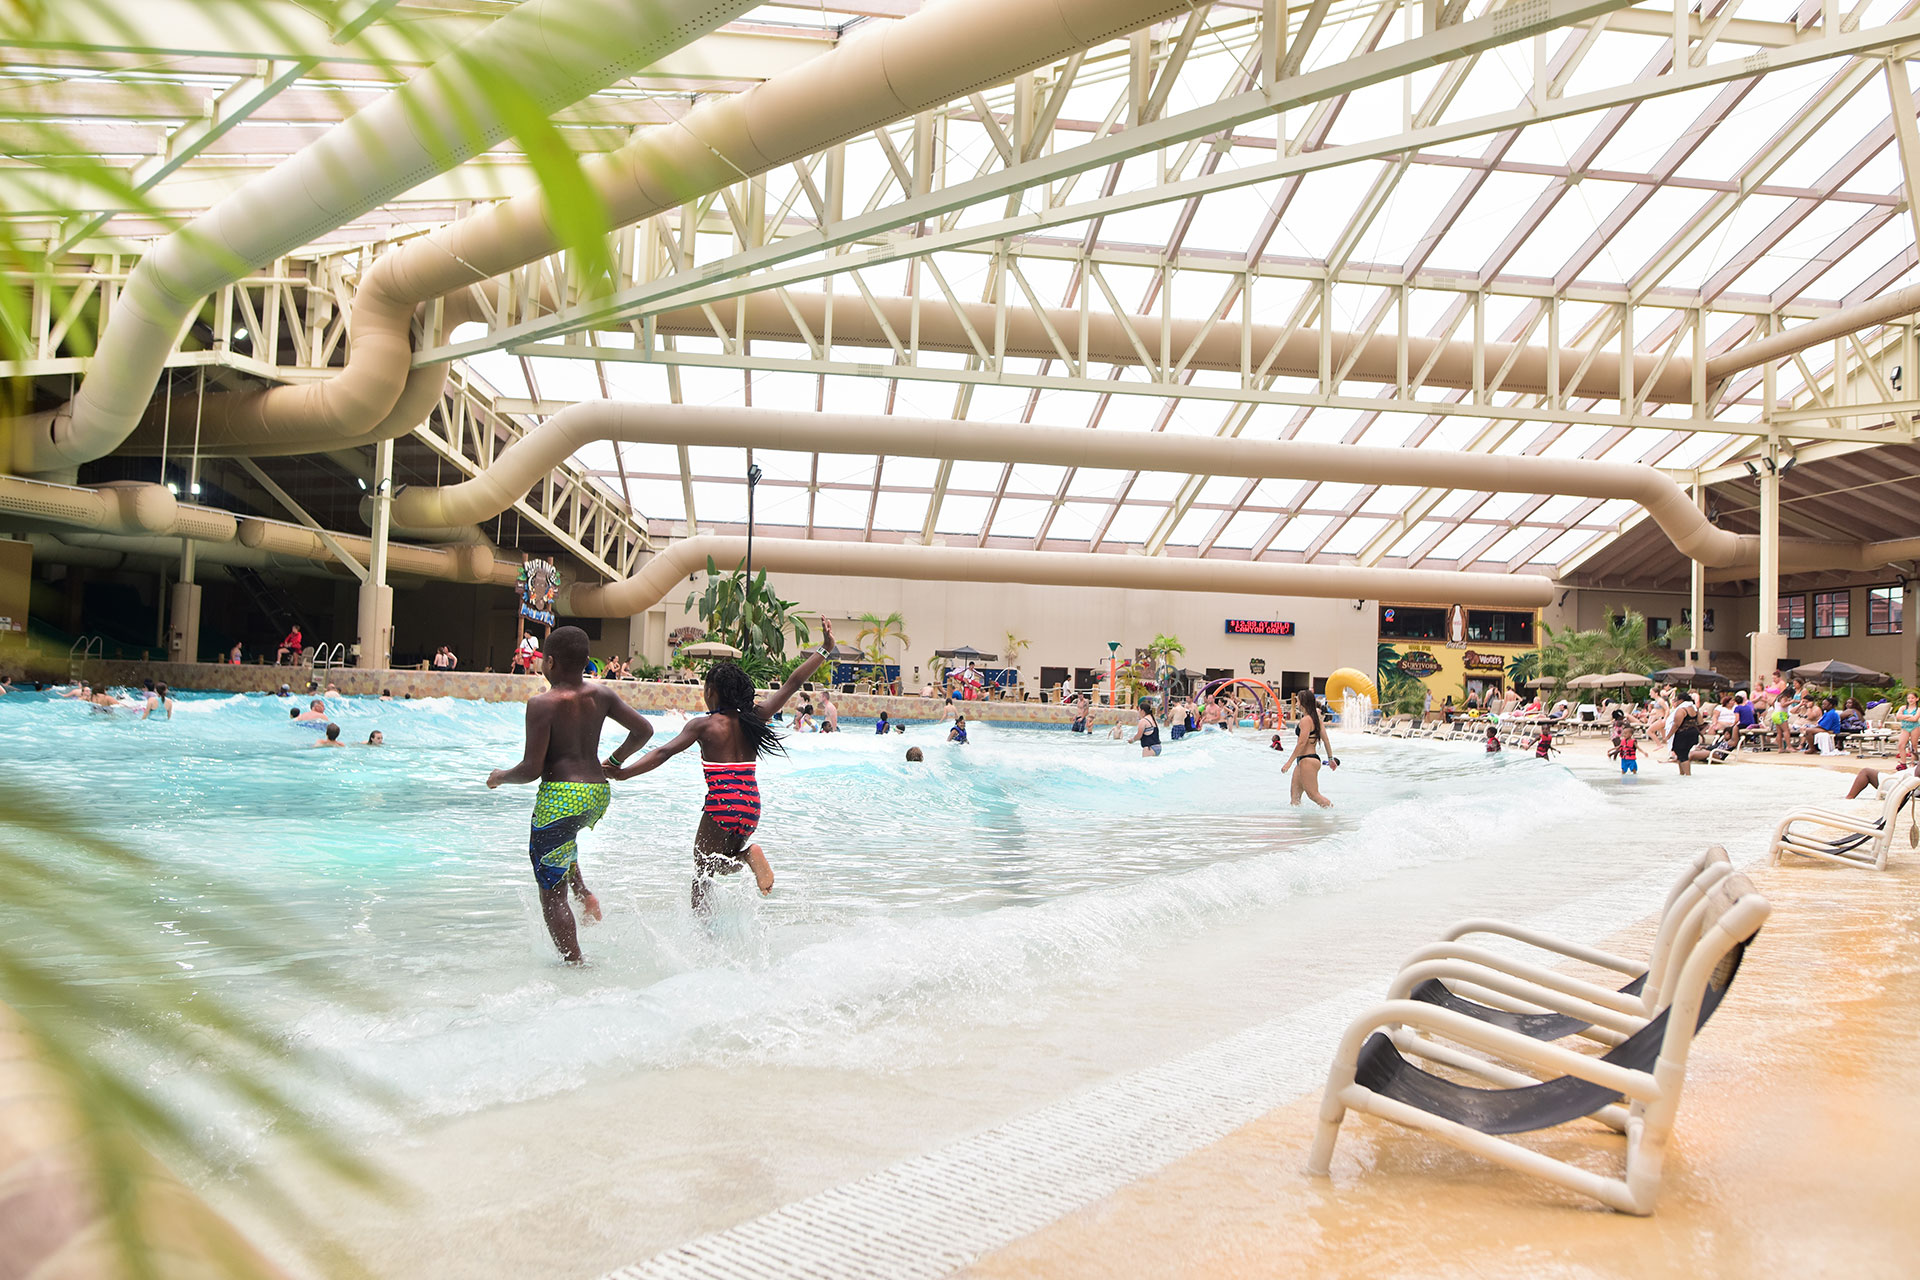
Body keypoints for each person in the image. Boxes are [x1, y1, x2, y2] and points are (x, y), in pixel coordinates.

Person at [608, 619, 834, 914]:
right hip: (750, 806)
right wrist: (826, 649)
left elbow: (663, 752)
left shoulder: (703, 726)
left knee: (702, 873)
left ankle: (703, 936)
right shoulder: (756, 717)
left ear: (712, 691)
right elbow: (792, 683)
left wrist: (624, 772)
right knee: (722, 860)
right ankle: (745, 856)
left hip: (721, 805)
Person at [487, 625, 656, 963]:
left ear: (549, 662)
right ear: (583, 663)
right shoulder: (602, 694)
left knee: (551, 895)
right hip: (596, 794)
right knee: (562, 842)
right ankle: (584, 894)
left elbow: (532, 769)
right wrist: (615, 761)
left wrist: (500, 777)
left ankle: (575, 965)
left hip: (561, 797)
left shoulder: (541, 703)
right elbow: (644, 730)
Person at [1279, 691, 1334, 807]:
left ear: (1303, 703)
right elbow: (1326, 740)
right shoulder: (1317, 720)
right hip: (1305, 761)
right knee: (1295, 798)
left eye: (1298, 701)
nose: (1297, 703)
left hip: (1307, 760)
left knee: (1313, 795)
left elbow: (1302, 743)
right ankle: (1301, 823)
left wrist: (1289, 763)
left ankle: (1335, 816)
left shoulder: (1306, 721)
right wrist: (1330, 759)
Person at [1895, 692, 1920, 765]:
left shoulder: (1918, 709)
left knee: (1913, 745)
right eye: (1909, 698)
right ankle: (1903, 762)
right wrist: (1909, 716)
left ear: (1916, 699)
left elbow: (1915, 719)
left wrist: (1904, 717)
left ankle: (1913, 763)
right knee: (1901, 745)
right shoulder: (1903, 708)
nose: (1910, 700)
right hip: (1905, 728)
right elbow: (1898, 716)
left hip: (1915, 727)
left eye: (1912, 698)